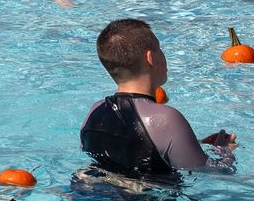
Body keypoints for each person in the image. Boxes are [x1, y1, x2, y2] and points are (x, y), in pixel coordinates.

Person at [80, 18, 235, 181]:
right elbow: (216, 173)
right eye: (159, 49)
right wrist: (225, 150)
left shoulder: (94, 111)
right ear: (150, 58)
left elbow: (127, 147)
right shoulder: (165, 118)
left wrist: (197, 143)